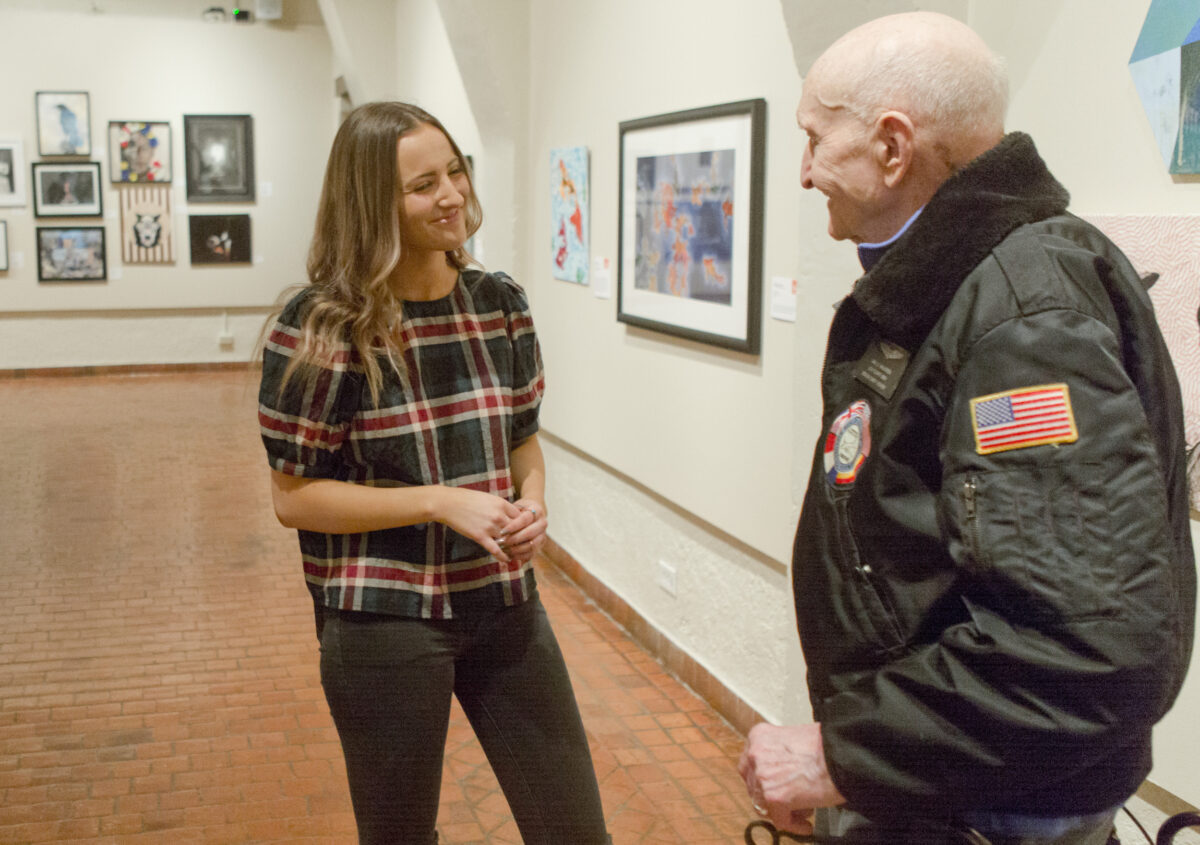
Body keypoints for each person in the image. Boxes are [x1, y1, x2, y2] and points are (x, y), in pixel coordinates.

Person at [739, 12, 1195, 845]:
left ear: (892, 147)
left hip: (985, 811)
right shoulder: (968, 285)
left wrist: (845, 754)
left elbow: (1082, 651)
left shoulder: (1026, 318)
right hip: (945, 784)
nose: (804, 173)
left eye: (814, 140)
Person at [258, 101, 611, 845]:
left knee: (575, 830)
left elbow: (522, 439)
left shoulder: (498, 303)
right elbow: (295, 498)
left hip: (504, 603)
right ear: (372, 204)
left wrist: (533, 501)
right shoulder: (322, 326)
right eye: (423, 185)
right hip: (383, 617)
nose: (451, 195)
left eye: (455, 172)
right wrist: (439, 502)